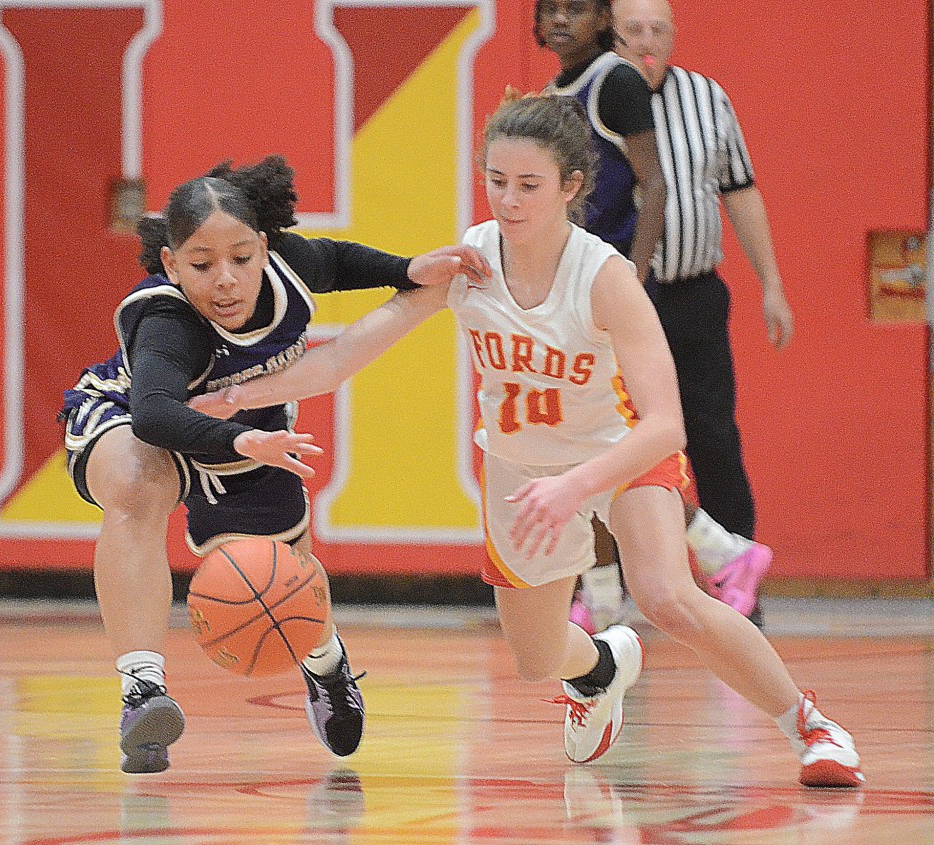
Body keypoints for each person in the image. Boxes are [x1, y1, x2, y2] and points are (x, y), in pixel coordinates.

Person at [191, 95, 863, 788]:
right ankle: (599, 671)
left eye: (529, 185)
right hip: (519, 466)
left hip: (619, 449)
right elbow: (341, 358)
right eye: (497, 180)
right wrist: (236, 397)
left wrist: (577, 483)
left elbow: (668, 425)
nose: (508, 199)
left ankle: (811, 725)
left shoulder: (604, 278)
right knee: (538, 657)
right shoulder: (472, 261)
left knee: (665, 594)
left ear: (572, 187)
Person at [59, 156, 491, 773]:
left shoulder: (283, 263)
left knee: (282, 575)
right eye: (203, 266)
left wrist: (405, 268)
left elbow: (336, 261)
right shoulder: (165, 323)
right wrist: (240, 444)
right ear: (172, 265)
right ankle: (142, 692)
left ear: (263, 246)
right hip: (138, 417)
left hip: (246, 427)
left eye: (241, 257)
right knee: (135, 487)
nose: (227, 279)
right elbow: (155, 414)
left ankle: (326, 665)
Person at [534, 0, 774, 630]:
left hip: (645, 290)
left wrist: (633, 279)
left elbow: (657, 183)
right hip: (584, 291)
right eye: (549, 9)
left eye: (575, 9)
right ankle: (619, 586)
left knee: (659, 439)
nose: (560, 20)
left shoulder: (622, 83)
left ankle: (719, 559)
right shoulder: (558, 90)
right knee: (586, 438)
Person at [611, 0, 795, 619]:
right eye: (633, 30)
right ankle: (603, 591)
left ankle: (736, 577)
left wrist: (771, 281)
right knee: (604, 436)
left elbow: (739, 190)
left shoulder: (707, 98)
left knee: (713, 437)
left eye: (657, 31)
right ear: (611, 33)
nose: (646, 42)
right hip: (618, 299)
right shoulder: (591, 99)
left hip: (691, 294)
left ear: (673, 36)